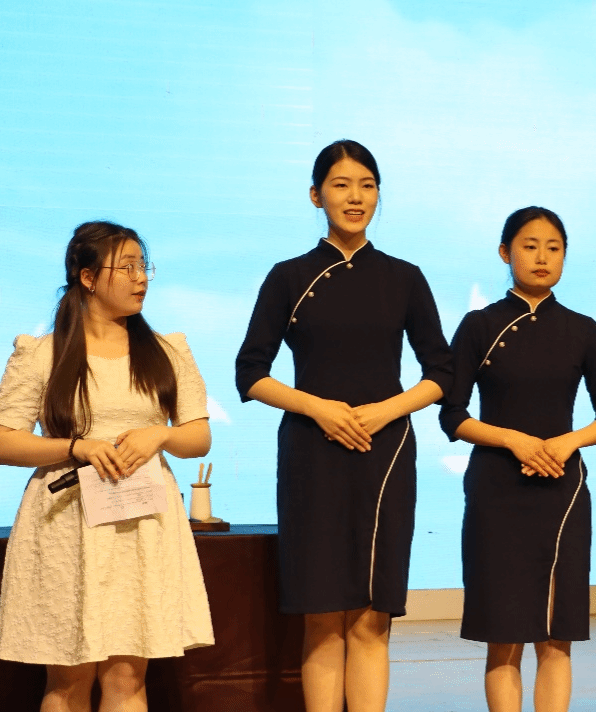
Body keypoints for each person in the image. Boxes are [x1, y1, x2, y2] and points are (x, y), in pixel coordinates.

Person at [235, 140, 452, 712]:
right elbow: (250, 373)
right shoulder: (289, 277)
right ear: (316, 195)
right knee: (322, 616)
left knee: (372, 617)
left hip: (386, 453)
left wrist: (385, 410)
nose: (355, 197)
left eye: (367, 185)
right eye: (341, 184)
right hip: (312, 453)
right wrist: (318, 408)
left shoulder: (405, 277)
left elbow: (442, 373)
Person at [0, 221, 214, 712]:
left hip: (143, 523)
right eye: (126, 267)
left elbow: (198, 437)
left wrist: (160, 435)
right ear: (87, 277)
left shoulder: (167, 351)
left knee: (128, 678)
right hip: (67, 524)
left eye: (143, 266)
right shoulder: (43, 353)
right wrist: (77, 447)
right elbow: (3, 444)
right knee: (68, 679)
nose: (141, 278)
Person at [439, 206, 596, 712]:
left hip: (562, 489)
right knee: (504, 635)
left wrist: (567, 443)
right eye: (529, 245)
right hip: (496, 490)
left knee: (557, 636)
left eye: (553, 248)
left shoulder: (583, 329)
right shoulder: (479, 325)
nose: (542, 257)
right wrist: (512, 440)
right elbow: (453, 416)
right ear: (505, 253)